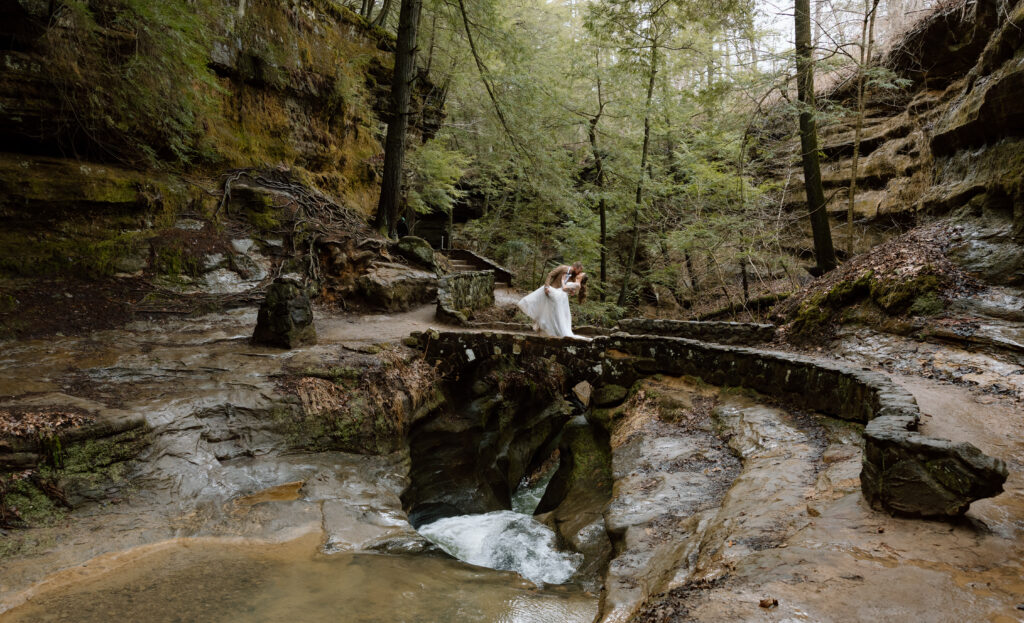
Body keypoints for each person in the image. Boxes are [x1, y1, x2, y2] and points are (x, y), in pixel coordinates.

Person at [517, 263, 588, 338]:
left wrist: (571, 291)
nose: (579, 273)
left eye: (581, 273)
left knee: (554, 314)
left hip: (560, 297)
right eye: (580, 270)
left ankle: (552, 330)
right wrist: (546, 286)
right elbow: (550, 275)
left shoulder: (574, 277)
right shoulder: (562, 268)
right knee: (544, 309)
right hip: (552, 291)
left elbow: (570, 287)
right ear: (575, 267)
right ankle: (543, 328)